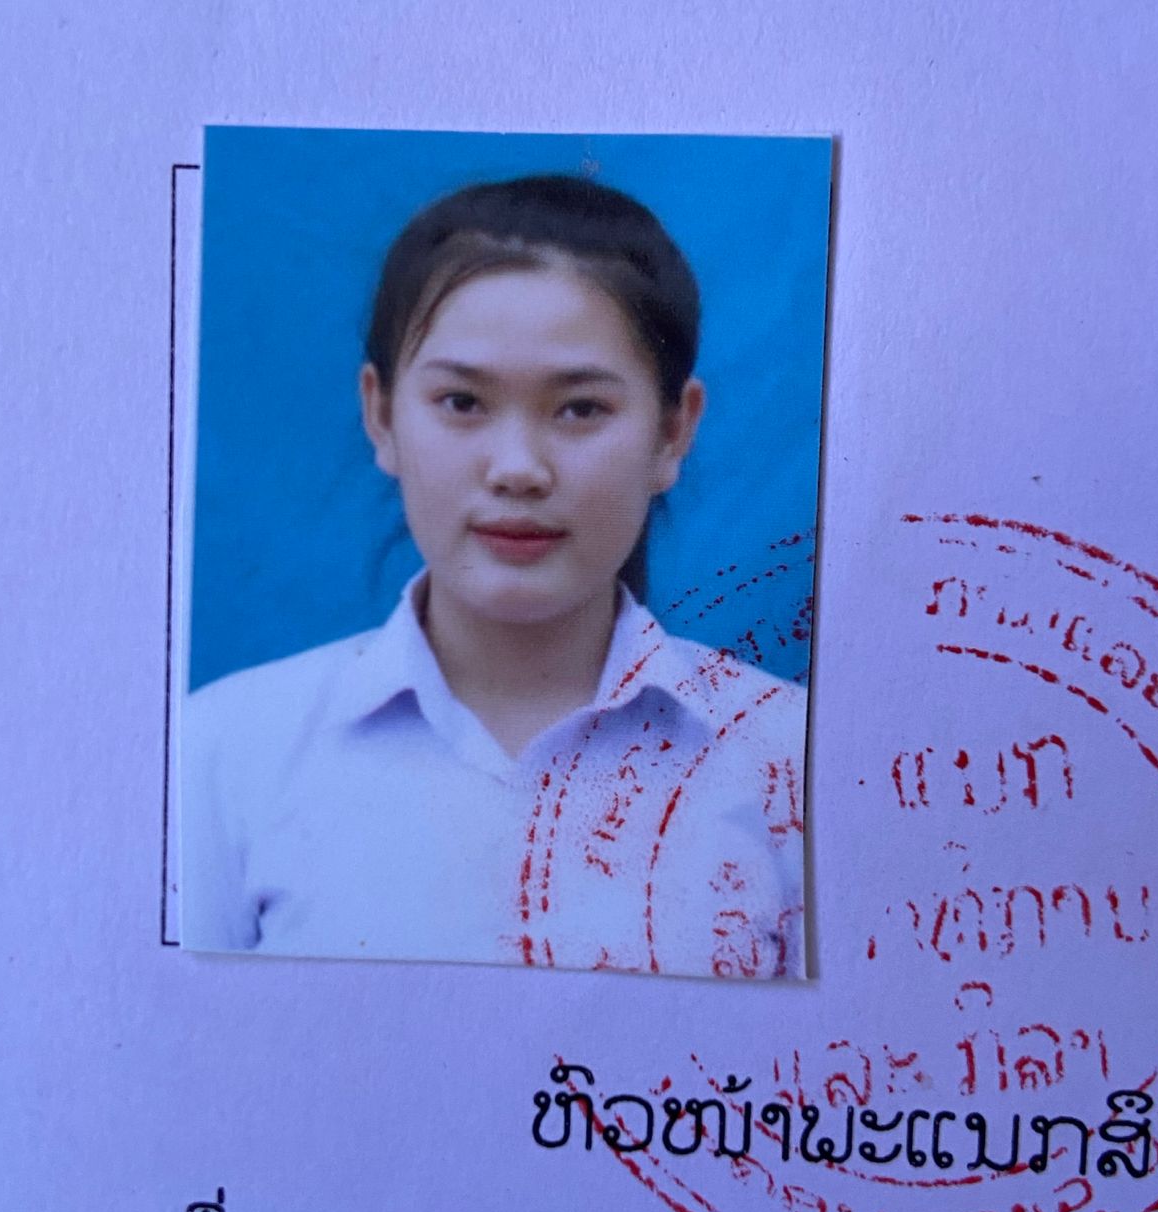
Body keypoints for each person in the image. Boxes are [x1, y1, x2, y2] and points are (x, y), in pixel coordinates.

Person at [183, 174, 807, 977]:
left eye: (580, 409)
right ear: (381, 414)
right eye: (462, 402)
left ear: (673, 432)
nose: (517, 468)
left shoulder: (791, 761)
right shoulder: (224, 753)